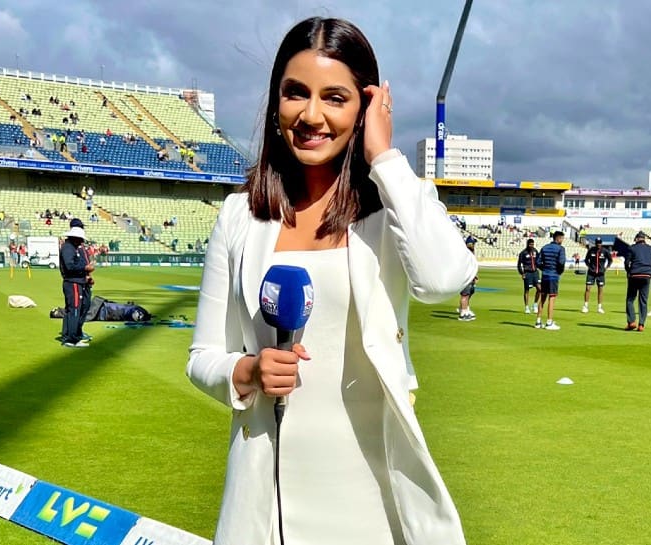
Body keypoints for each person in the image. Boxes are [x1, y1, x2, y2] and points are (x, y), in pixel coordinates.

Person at [185, 17, 474, 545]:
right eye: (296, 93)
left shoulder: (393, 211)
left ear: (364, 108)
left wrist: (383, 156)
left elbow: (444, 278)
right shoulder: (239, 217)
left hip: (374, 493)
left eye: (335, 98)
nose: (311, 115)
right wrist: (247, 369)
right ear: (276, 103)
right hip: (266, 494)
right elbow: (203, 356)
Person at [59, 221, 93, 347]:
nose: (81, 242)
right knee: (74, 310)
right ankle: (72, 339)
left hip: (77, 281)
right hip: (73, 283)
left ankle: (70, 335)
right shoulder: (68, 248)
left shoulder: (71, 247)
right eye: (80, 239)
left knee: (74, 309)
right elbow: (70, 265)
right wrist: (85, 268)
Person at [534, 231, 566, 330]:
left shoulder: (544, 247)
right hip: (553, 276)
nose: (563, 240)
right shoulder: (561, 249)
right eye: (562, 238)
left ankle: (538, 321)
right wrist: (559, 272)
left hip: (545, 275)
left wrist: (544, 269)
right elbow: (561, 262)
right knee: (552, 298)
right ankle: (549, 322)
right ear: (558, 238)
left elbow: (537, 262)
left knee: (542, 297)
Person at [624, 231, 651, 331]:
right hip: (646, 275)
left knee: (630, 299)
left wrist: (629, 272)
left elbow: (627, 262)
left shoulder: (632, 248)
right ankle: (641, 324)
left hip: (635, 274)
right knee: (643, 301)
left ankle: (632, 321)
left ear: (637, 239)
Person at [581, 237, 611, 314]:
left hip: (600, 273)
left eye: (600, 243)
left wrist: (606, 268)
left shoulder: (605, 251)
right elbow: (586, 260)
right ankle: (585, 306)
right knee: (588, 288)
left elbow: (610, 260)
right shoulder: (591, 250)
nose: (598, 244)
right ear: (595, 243)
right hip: (591, 273)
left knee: (600, 290)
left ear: (601, 243)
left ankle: (599, 307)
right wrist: (589, 267)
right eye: (597, 243)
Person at [516, 238, 541, 314]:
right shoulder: (523, 253)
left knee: (540, 289)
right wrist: (522, 273)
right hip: (527, 273)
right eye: (530, 244)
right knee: (527, 290)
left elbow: (539, 260)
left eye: (532, 244)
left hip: (535, 272)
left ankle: (535, 305)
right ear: (527, 244)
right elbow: (519, 265)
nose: (531, 246)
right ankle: (526, 307)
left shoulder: (535, 251)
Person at [458, 242, 478, 321]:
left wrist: (474, 276)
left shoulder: (469, 256)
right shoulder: (465, 257)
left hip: (469, 277)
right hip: (465, 278)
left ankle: (465, 310)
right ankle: (463, 313)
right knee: (465, 295)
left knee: (468, 294)